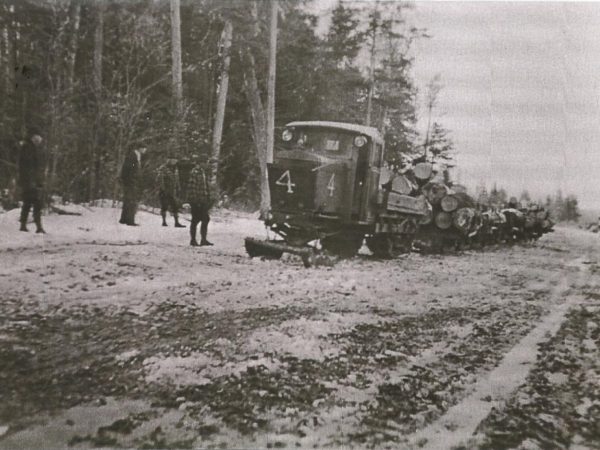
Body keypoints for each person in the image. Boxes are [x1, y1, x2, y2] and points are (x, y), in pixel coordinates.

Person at [18, 132, 45, 233]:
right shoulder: (29, 149)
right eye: (37, 138)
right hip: (31, 181)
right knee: (36, 203)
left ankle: (24, 225)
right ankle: (38, 226)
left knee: (27, 203)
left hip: (28, 181)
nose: (39, 141)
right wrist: (34, 181)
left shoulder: (28, 148)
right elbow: (29, 167)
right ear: (34, 138)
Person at [187, 154, 213, 247]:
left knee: (205, 219)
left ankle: (203, 239)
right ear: (201, 163)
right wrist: (194, 200)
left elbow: (205, 187)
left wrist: (208, 197)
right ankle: (193, 240)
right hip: (197, 200)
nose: (207, 164)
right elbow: (192, 187)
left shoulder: (203, 172)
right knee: (196, 220)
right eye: (206, 162)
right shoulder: (195, 172)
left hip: (203, 200)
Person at [119, 147, 146, 226]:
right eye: (144, 148)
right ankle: (130, 220)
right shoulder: (133, 156)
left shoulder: (134, 155)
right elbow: (129, 169)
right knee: (132, 201)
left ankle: (123, 219)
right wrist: (131, 180)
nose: (145, 150)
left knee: (128, 200)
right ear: (140, 148)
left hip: (130, 182)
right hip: (131, 182)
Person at [157, 158, 185, 228]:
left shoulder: (175, 169)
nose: (174, 162)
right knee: (164, 206)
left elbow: (177, 179)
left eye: (176, 160)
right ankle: (164, 221)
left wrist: (178, 187)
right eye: (173, 160)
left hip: (172, 191)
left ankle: (176, 222)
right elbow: (160, 179)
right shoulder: (163, 168)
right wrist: (162, 188)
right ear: (169, 160)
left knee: (175, 206)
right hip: (164, 190)